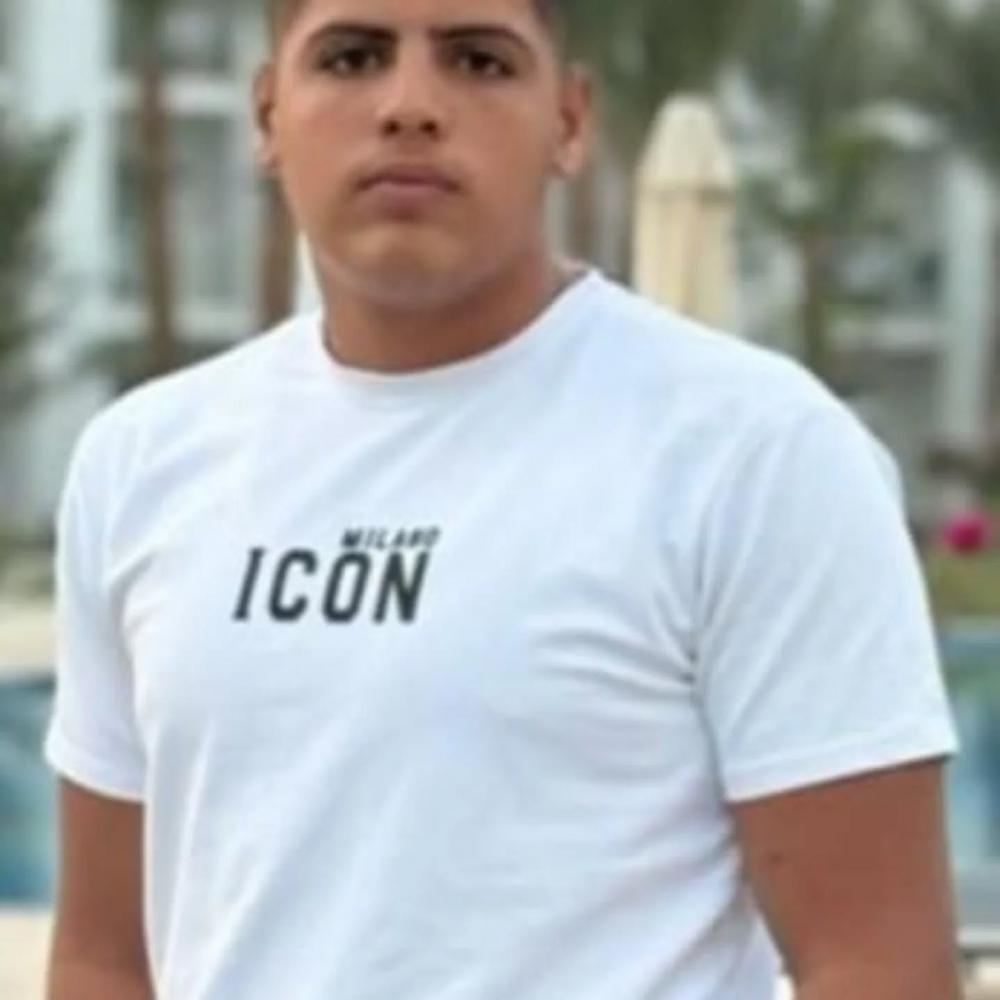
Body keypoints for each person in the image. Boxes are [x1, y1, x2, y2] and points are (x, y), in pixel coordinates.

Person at [43, 0, 962, 997]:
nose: (409, 104)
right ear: (268, 115)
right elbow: (103, 959)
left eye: (478, 61)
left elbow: (879, 967)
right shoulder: (143, 462)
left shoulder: (755, 453)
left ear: (568, 121)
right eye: (351, 57)